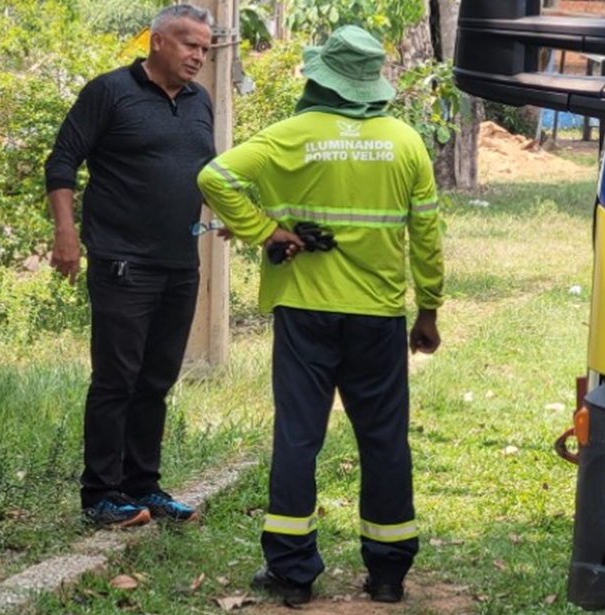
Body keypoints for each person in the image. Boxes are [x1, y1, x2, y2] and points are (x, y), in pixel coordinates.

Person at [197, 25, 444, 605]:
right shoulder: (405, 142)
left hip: (305, 313)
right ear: (372, 82)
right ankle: (387, 573)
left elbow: (216, 177)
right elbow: (428, 236)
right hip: (379, 316)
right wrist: (428, 310)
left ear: (322, 76)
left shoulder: (290, 135)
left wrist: (267, 230)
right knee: (384, 440)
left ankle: (293, 572)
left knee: (298, 438)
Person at [44, 4, 216, 528]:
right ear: (158, 41)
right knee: (117, 378)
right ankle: (100, 494)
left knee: (157, 379)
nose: (198, 57)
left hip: (180, 262)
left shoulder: (199, 101)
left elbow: (207, 171)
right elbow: (62, 161)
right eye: (190, 45)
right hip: (122, 260)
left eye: (205, 50)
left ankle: (144, 487)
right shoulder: (109, 92)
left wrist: (233, 217)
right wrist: (66, 233)